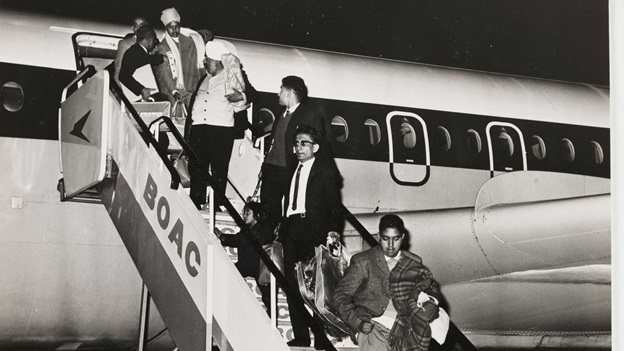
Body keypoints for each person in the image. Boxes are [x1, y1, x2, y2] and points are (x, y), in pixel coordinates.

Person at [332, 214, 446, 351]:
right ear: (379, 236)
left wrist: (430, 302)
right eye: (386, 239)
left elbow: (432, 289)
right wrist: (357, 322)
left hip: (406, 332)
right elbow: (340, 295)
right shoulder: (363, 261)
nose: (391, 245)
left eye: (396, 239)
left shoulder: (414, 261)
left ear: (403, 237)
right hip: (374, 329)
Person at [280, 126, 341, 350]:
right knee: (291, 284)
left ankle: (321, 338)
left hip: (313, 230)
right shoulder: (292, 170)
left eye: (303, 143)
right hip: (292, 228)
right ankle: (301, 336)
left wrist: (333, 232)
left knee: (315, 287)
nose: (298, 148)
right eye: (296, 143)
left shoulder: (324, 171)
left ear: (315, 147)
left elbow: (334, 205)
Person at [186, 40, 258, 210]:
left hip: (220, 130)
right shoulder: (204, 78)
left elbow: (254, 94)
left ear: (217, 62)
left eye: (208, 61)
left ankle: (216, 204)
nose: (205, 63)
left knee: (219, 170)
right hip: (199, 128)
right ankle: (196, 201)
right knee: (197, 167)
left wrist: (241, 97)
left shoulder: (232, 75)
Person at [260, 76, 333, 227]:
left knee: (289, 211)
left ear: (289, 93)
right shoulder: (282, 115)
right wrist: (264, 167)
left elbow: (316, 144)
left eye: (281, 90)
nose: (278, 94)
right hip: (271, 169)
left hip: (290, 169)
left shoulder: (309, 115)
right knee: (267, 212)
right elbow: (274, 143)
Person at [215, 202, 275, 313]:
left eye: (248, 213)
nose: (244, 215)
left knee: (267, 292)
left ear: (257, 215)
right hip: (245, 263)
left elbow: (247, 239)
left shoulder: (263, 228)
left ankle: (271, 313)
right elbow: (237, 240)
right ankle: (240, 297)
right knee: (230, 273)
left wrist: (225, 237)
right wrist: (222, 236)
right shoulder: (246, 230)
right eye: (244, 213)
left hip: (259, 266)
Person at [153, 7, 204, 117]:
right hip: (174, 90)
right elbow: (165, 72)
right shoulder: (163, 46)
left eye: (177, 26)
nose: (174, 30)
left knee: (195, 118)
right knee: (177, 121)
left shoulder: (190, 40)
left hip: (191, 88)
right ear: (166, 28)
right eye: (170, 27)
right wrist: (174, 91)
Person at [118, 25, 163, 102]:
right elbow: (123, 76)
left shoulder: (139, 52)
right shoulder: (134, 53)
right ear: (150, 38)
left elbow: (146, 60)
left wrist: (161, 58)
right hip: (139, 99)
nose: (154, 44)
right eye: (154, 41)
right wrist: (141, 89)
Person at [114, 16, 148, 85]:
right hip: (130, 86)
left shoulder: (152, 43)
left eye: (141, 25)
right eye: (136, 25)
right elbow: (118, 69)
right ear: (132, 28)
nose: (138, 28)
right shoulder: (124, 44)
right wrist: (121, 89)